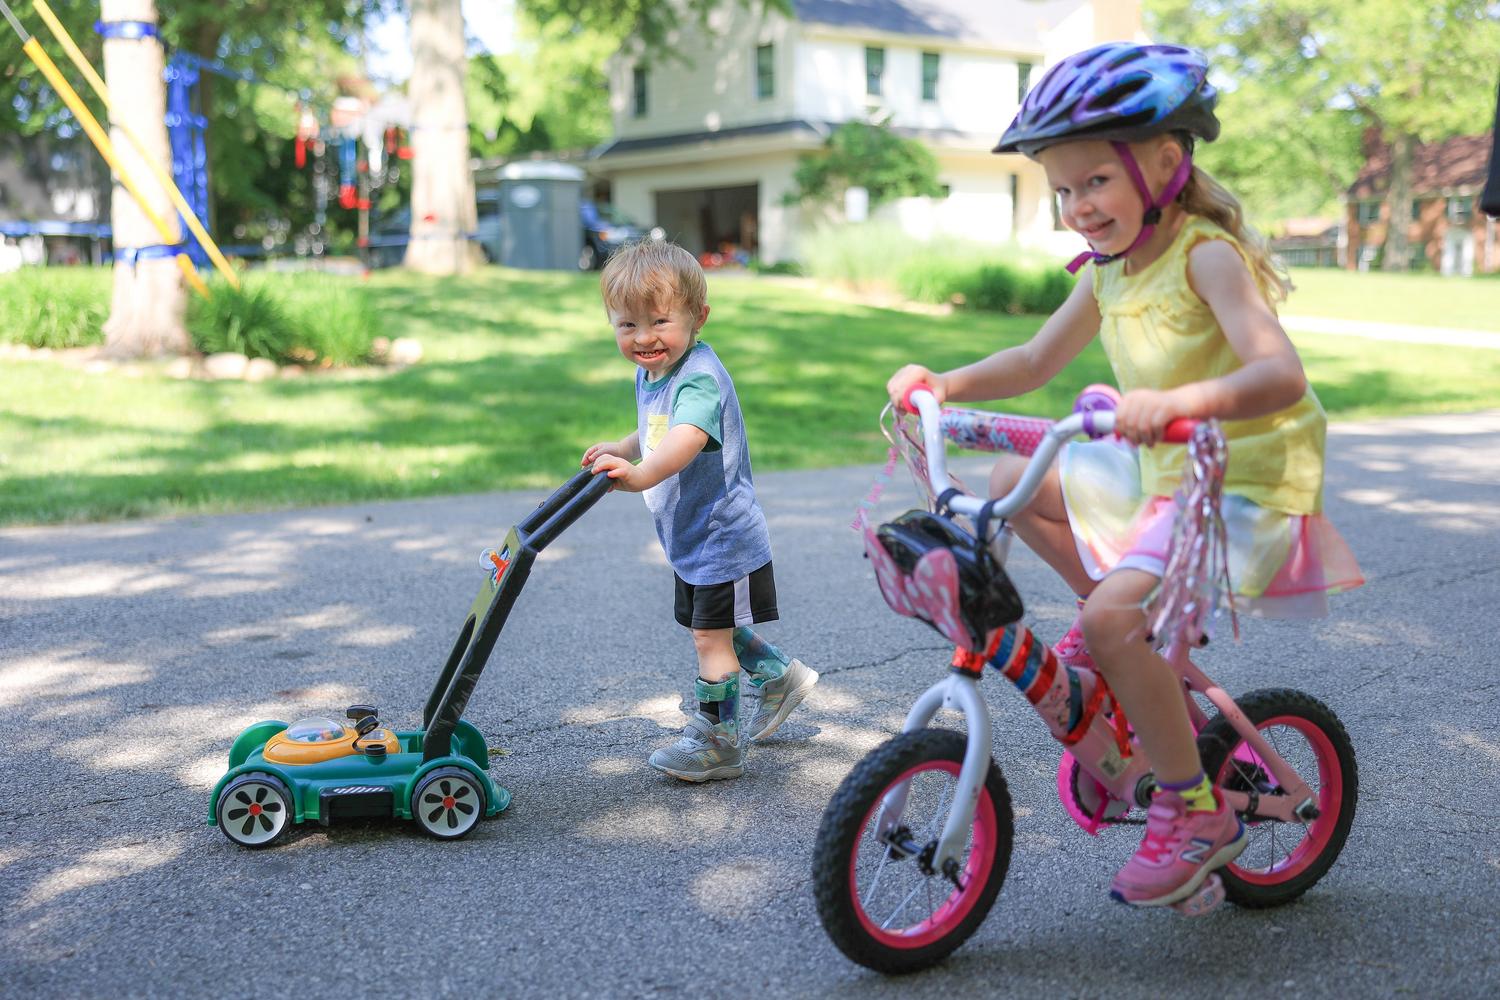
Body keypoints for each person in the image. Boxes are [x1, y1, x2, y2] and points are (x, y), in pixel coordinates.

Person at [886, 42, 1362, 908]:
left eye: (1093, 183)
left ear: (1164, 165)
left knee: (1111, 621)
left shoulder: (1205, 256)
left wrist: (1186, 397)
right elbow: (1035, 357)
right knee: (1006, 476)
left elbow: (1280, 374)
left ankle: (1196, 811)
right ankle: (1120, 634)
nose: (1077, 207)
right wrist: (943, 384)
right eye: (1063, 190)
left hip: (1236, 482)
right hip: (1159, 473)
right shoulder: (1109, 271)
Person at [583, 239, 818, 782]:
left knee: (708, 637)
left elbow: (686, 436)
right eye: (627, 325)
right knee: (713, 625)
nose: (643, 338)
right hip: (691, 535)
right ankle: (780, 678)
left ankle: (719, 742)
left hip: (721, 536)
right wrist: (626, 448)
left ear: (698, 317)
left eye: (659, 321)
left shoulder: (699, 377)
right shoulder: (655, 370)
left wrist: (640, 473)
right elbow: (657, 428)